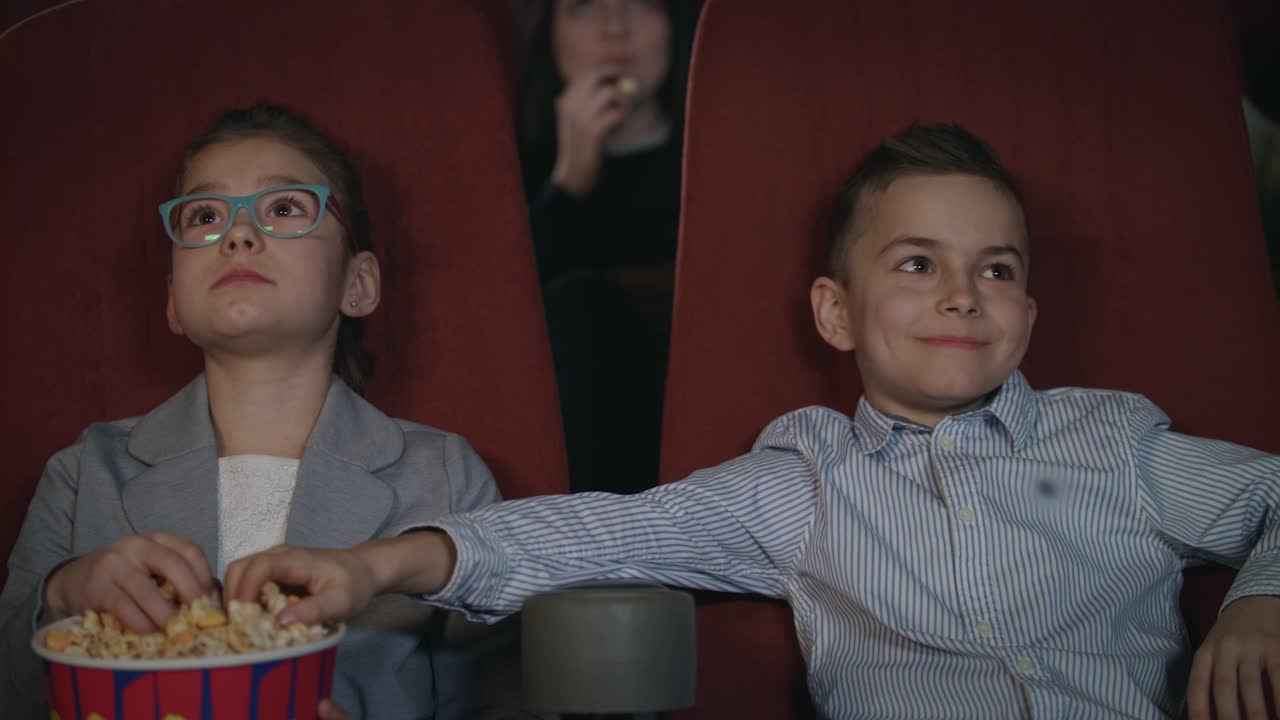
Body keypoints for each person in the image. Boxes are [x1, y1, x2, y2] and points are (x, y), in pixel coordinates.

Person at [227, 124, 1280, 720]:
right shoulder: (803, 481)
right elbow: (598, 533)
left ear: (1028, 316)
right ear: (836, 313)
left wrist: (1260, 605)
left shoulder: (1111, 442)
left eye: (995, 270)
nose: (963, 294)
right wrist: (373, 566)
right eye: (917, 263)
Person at [0, 104, 517, 720]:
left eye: (285, 208)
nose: (238, 235)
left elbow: (500, 693)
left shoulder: (444, 477)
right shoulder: (84, 472)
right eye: (204, 216)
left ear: (357, 284)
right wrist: (62, 596)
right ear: (173, 300)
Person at [514, 0, 699, 494]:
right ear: (549, 33)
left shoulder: (722, 159)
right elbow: (506, 313)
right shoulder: (503, 163)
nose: (615, 28)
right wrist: (571, 179)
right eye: (585, 7)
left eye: (641, 3)